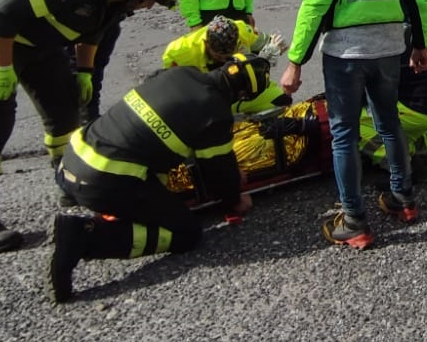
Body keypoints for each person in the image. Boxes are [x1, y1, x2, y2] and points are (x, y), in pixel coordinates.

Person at [0, 0, 183, 253]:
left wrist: (85, 74)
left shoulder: (116, 3)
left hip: (43, 49)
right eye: (151, 0)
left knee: (64, 118)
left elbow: (91, 36)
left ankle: (69, 186)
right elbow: (1, 18)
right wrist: (1, 68)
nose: (150, 7)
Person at [280, 0, 427, 249]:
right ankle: (403, 199)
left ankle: (354, 220)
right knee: (389, 123)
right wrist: (420, 44)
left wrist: (296, 60)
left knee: (344, 134)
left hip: (345, 54)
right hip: (389, 47)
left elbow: (315, 6)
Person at [47, 53, 271, 303]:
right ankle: (84, 238)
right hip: (103, 181)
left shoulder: (181, 72)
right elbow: (218, 175)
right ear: (242, 95)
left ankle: (78, 199)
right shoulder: (215, 114)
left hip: (73, 157)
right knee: (186, 233)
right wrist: (234, 200)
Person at [161, 15, 292, 113]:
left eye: (228, 56)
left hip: (239, 93)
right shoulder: (178, 53)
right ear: (207, 43)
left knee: (281, 100)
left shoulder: (242, 30)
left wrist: (275, 48)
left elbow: (268, 44)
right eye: (219, 57)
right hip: (203, 101)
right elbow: (171, 92)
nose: (224, 61)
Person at [358, 58, 427, 165]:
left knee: (349, 124)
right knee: (396, 139)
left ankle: (401, 165)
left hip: (414, 106)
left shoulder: (357, 51)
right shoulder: (392, 40)